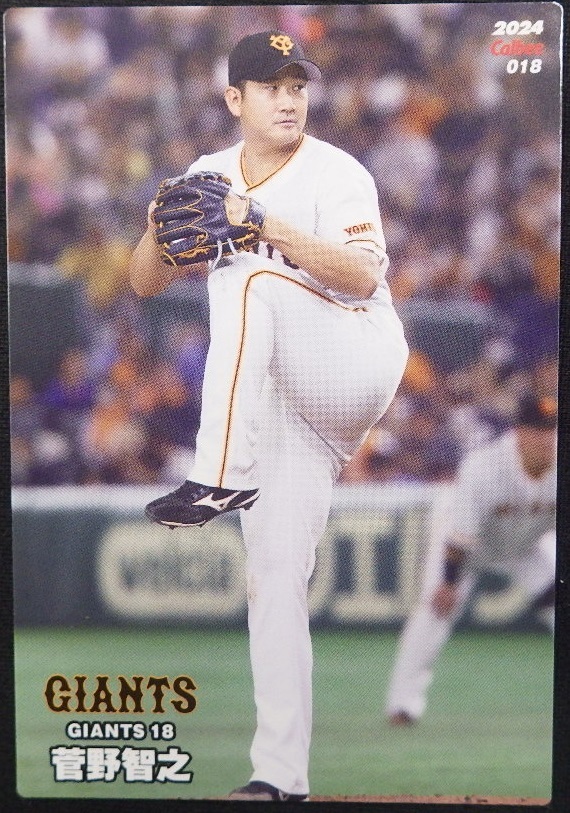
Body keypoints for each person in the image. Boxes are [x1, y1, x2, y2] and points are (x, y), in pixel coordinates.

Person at [129, 31, 409, 801]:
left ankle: (217, 473)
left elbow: (362, 276)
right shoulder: (208, 171)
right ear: (235, 99)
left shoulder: (337, 172)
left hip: (355, 356)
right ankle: (280, 777)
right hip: (284, 401)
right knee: (274, 578)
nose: (288, 99)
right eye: (271, 86)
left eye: (297, 85)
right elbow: (144, 282)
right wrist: (155, 227)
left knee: (246, 276)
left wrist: (262, 222)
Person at [385, 393, 557, 726]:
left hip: (526, 547)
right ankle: (403, 704)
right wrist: (448, 582)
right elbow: (460, 535)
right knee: (435, 612)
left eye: (551, 429)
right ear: (519, 433)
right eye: (538, 429)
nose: (546, 438)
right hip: (465, 548)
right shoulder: (486, 466)